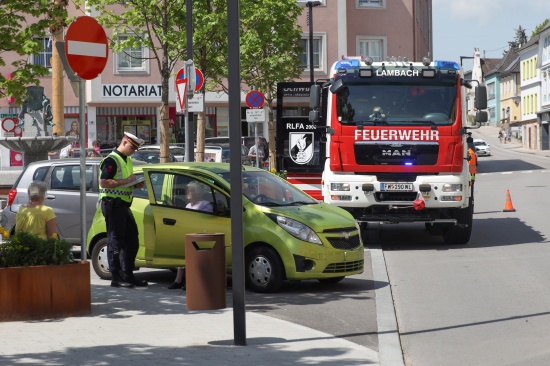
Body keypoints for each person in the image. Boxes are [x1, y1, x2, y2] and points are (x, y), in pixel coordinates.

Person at [99, 132, 146, 288]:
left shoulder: (128, 160)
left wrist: (135, 184)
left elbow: (125, 182)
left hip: (124, 206)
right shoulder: (112, 160)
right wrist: (127, 181)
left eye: (135, 149)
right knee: (116, 241)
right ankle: (116, 277)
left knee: (133, 241)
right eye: (132, 147)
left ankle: (128, 274)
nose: (133, 151)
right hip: (113, 205)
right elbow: (104, 182)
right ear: (125, 142)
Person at [168, 181, 213, 290]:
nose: (187, 193)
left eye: (190, 191)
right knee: (182, 253)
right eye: (188, 191)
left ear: (196, 193)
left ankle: (190, 281)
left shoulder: (205, 205)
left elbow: (207, 222)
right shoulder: (188, 205)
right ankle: (178, 280)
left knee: (193, 255)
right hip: (188, 235)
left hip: (199, 236)